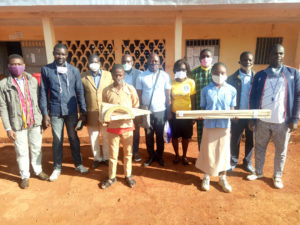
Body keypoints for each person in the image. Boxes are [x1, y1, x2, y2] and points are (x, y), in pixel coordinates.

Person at [247, 44, 300, 189]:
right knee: (259, 147)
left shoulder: (293, 74)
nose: (278, 56)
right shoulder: (260, 75)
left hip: (282, 122)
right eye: (275, 53)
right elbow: (252, 97)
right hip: (262, 121)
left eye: (281, 53)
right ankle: (258, 172)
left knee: (281, 151)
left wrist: (295, 118)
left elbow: (297, 97)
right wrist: (252, 118)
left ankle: (277, 176)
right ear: (269, 55)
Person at [39, 43, 88, 182]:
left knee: (73, 138)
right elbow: (43, 92)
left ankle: (78, 164)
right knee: (57, 140)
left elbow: (79, 92)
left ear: (67, 55)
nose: (60, 56)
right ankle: (57, 167)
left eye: (63, 54)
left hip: (71, 111)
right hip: (55, 111)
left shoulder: (74, 71)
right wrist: (45, 113)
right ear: (54, 53)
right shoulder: (46, 70)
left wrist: (83, 111)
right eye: (58, 53)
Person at [0, 54, 49, 189]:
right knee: (21, 151)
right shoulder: (4, 85)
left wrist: (43, 118)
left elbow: (40, 100)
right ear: (9, 66)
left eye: (19, 64)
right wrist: (8, 128)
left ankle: (38, 171)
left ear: (24, 65)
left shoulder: (32, 81)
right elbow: (3, 108)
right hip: (17, 125)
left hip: (34, 122)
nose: (16, 67)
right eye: (13, 64)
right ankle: (25, 176)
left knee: (36, 148)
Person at [195, 62, 236, 193]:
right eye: (216, 73)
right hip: (209, 125)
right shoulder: (206, 90)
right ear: (212, 74)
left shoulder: (232, 90)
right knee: (209, 151)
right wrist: (201, 116)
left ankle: (223, 177)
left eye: (222, 73)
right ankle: (206, 176)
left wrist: (235, 116)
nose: (219, 75)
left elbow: (232, 109)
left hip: (224, 126)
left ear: (226, 74)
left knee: (223, 151)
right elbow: (203, 108)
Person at [100, 64, 139, 189]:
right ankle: (112, 177)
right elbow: (104, 108)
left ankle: (128, 175)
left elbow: (136, 105)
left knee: (128, 153)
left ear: (124, 75)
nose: (118, 77)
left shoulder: (130, 89)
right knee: (113, 153)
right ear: (112, 76)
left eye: (121, 75)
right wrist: (106, 120)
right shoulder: (106, 91)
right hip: (113, 127)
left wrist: (129, 114)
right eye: (116, 75)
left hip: (127, 125)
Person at [136, 53, 171, 167]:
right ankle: (151, 156)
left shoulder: (165, 76)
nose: (153, 63)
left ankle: (159, 156)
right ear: (147, 62)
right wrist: (141, 112)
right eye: (151, 61)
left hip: (161, 111)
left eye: (156, 61)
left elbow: (168, 96)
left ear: (159, 62)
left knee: (160, 135)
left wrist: (169, 112)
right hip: (147, 112)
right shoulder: (141, 76)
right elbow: (139, 96)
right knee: (148, 135)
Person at [81, 54, 113, 168]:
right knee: (93, 137)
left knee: (106, 136)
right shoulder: (83, 77)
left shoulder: (108, 75)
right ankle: (97, 158)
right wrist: (82, 114)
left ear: (100, 63)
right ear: (88, 63)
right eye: (91, 62)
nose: (94, 64)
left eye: (96, 62)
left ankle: (106, 157)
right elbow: (81, 96)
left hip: (105, 112)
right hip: (91, 113)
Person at [227, 51, 255, 173]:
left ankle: (247, 162)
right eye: (244, 60)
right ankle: (233, 161)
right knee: (235, 139)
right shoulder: (232, 79)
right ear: (240, 62)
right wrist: (233, 113)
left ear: (252, 62)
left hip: (251, 115)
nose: (247, 62)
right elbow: (228, 98)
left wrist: (254, 117)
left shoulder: (256, 79)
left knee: (251, 139)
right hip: (237, 115)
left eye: (249, 60)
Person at [170, 59, 195, 165]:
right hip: (174, 114)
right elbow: (169, 98)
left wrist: (193, 115)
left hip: (187, 115)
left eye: (183, 69)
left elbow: (193, 99)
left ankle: (184, 156)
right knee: (174, 137)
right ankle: (176, 155)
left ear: (187, 70)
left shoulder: (191, 82)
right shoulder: (171, 82)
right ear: (175, 70)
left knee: (186, 137)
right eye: (179, 69)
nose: (181, 71)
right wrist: (169, 113)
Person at [190, 49, 213, 150]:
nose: (205, 59)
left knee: (212, 135)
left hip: (213, 111)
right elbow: (192, 95)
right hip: (200, 110)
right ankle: (201, 157)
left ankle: (210, 158)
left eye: (208, 56)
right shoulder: (194, 73)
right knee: (201, 134)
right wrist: (193, 113)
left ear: (212, 58)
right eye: (203, 57)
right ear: (199, 59)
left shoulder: (216, 72)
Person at [121, 54, 143, 162]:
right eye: (124, 62)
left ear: (132, 62)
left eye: (128, 62)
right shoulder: (118, 74)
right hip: (122, 107)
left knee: (136, 130)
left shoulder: (139, 74)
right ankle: (126, 152)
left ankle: (135, 152)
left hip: (135, 106)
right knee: (123, 129)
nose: (126, 64)